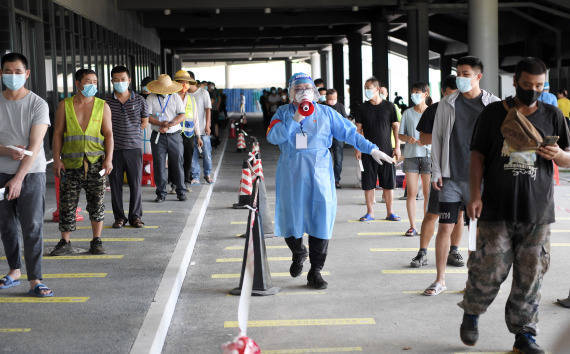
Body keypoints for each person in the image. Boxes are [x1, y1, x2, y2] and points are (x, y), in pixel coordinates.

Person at [459, 57, 570, 354]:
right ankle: (472, 312)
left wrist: (558, 154)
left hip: (537, 211)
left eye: (539, 86)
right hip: (496, 207)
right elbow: (477, 156)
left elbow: (569, 156)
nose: (532, 90)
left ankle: (524, 334)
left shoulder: (553, 115)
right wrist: (475, 195)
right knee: (488, 267)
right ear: (515, 82)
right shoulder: (494, 113)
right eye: (526, 85)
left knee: (531, 275)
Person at [267, 73, 394, 289]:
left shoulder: (326, 113)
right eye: (298, 89)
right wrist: (296, 118)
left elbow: (351, 134)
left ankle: (315, 271)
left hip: (320, 175)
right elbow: (273, 137)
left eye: (308, 88)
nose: (304, 92)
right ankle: (298, 252)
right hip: (291, 174)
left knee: (320, 220)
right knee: (291, 219)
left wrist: (372, 149)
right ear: (291, 93)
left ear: (315, 93)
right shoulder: (282, 113)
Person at [426, 56, 500, 295]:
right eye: (459, 73)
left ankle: (472, 282)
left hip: (479, 182)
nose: (460, 78)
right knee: (444, 227)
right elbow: (437, 138)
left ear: (478, 77)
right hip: (450, 177)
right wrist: (436, 170)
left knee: (475, 233)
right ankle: (439, 280)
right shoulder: (447, 103)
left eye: (466, 74)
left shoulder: (494, 105)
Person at [0, 52, 53, 296]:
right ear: (1, 74)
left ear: (27, 74)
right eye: (8, 72)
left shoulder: (38, 104)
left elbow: (35, 144)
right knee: (7, 225)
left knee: (32, 225)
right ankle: (14, 270)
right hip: (1, 172)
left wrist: (19, 178)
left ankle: (36, 279)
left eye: (18, 72)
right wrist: (6, 151)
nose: (13, 76)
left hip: (31, 174)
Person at [51, 68, 114, 256]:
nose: (92, 85)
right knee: (67, 204)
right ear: (78, 84)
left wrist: (108, 160)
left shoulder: (103, 106)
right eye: (88, 81)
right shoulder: (65, 105)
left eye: (95, 82)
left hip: (96, 163)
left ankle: (96, 240)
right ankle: (65, 241)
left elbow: (109, 134)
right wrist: (57, 160)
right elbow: (57, 134)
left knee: (97, 203)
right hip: (70, 164)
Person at [410, 75, 464, 268]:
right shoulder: (434, 110)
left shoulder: (467, 109)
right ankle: (422, 253)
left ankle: (455, 251)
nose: (454, 98)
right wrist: (443, 133)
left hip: (465, 171)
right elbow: (423, 139)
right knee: (433, 213)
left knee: (459, 215)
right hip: (442, 170)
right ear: (444, 92)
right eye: (451, 93)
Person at [107, 66, 149, 229]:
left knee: (135, 184)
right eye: (116, 79)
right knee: (115, 185)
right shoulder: (107, 102)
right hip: (113, 150)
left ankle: (135, 217)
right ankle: (119, 218)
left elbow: (144, 121)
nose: (120, 82)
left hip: (134, 148)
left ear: (129, 80)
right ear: (111, 81)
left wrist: (134, 132)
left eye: (123, 79)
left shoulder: (139, 100)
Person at [355, 77, 401, 222]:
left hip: (387, 151)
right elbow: (358, 130)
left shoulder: (389, 107)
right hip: (367, 151)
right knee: (368, 183)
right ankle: (370, 212)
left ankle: (390, 212)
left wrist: (397, 147)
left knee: (388, 183)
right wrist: (358, 148)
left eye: (368, 88)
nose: (366, 91)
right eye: (365, 88)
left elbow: (396, 128)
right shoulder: (362, 108)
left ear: (377, 89)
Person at [146, 74, 187, 202]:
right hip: (158, 136)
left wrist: (169, 125)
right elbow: (147, 117)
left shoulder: (175, 97)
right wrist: (160, 124)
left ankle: (181, 191)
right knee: (159, 164)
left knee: (177, 163)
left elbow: (182, 115)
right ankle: (161, 193)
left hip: (174, 134)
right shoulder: (151, 98)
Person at [398, 82, 431, 236]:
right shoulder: (407, 113)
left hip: (428, 156)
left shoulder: (432, 112)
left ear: (426, 94)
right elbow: (400, 135)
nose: (415, 95)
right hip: (411, 156)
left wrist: (427, 140)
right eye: (413, 92)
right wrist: (407, 138)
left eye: (418, 92)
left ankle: (426, 224)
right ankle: (412, 226)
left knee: (427, 193)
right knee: (411, 192)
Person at [173, 70, 203, 188]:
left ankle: (185, 182)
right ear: (176, 83)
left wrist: (198, 136)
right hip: (175, 133)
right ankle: (174, 184)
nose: (184, 85)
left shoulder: (191, 99)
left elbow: (195, 119)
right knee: (175, 159)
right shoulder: (172, 97)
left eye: (186, 82)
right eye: (181, 82)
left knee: (188, 159)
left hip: (189, 134)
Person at [187, 71, 213, 185]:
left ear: (191, 80)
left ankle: (207, 174)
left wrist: (207, 125)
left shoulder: (203, 93)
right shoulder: (185, 94)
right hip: (189, 131)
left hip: (203, 129)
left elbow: (208, 109)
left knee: (206, 153)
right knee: (193, 154)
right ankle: (195, 176)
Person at [325, 89, 348, 188]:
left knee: (338, 160)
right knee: (325, 160)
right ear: (326, 98)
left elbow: (345, 120)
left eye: (334, 98)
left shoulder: (340, 106)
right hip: (325, 138)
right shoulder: (322, 107)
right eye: (330, 99)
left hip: (338, 138)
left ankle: (336, 180)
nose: (332, 101)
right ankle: (325, 180)